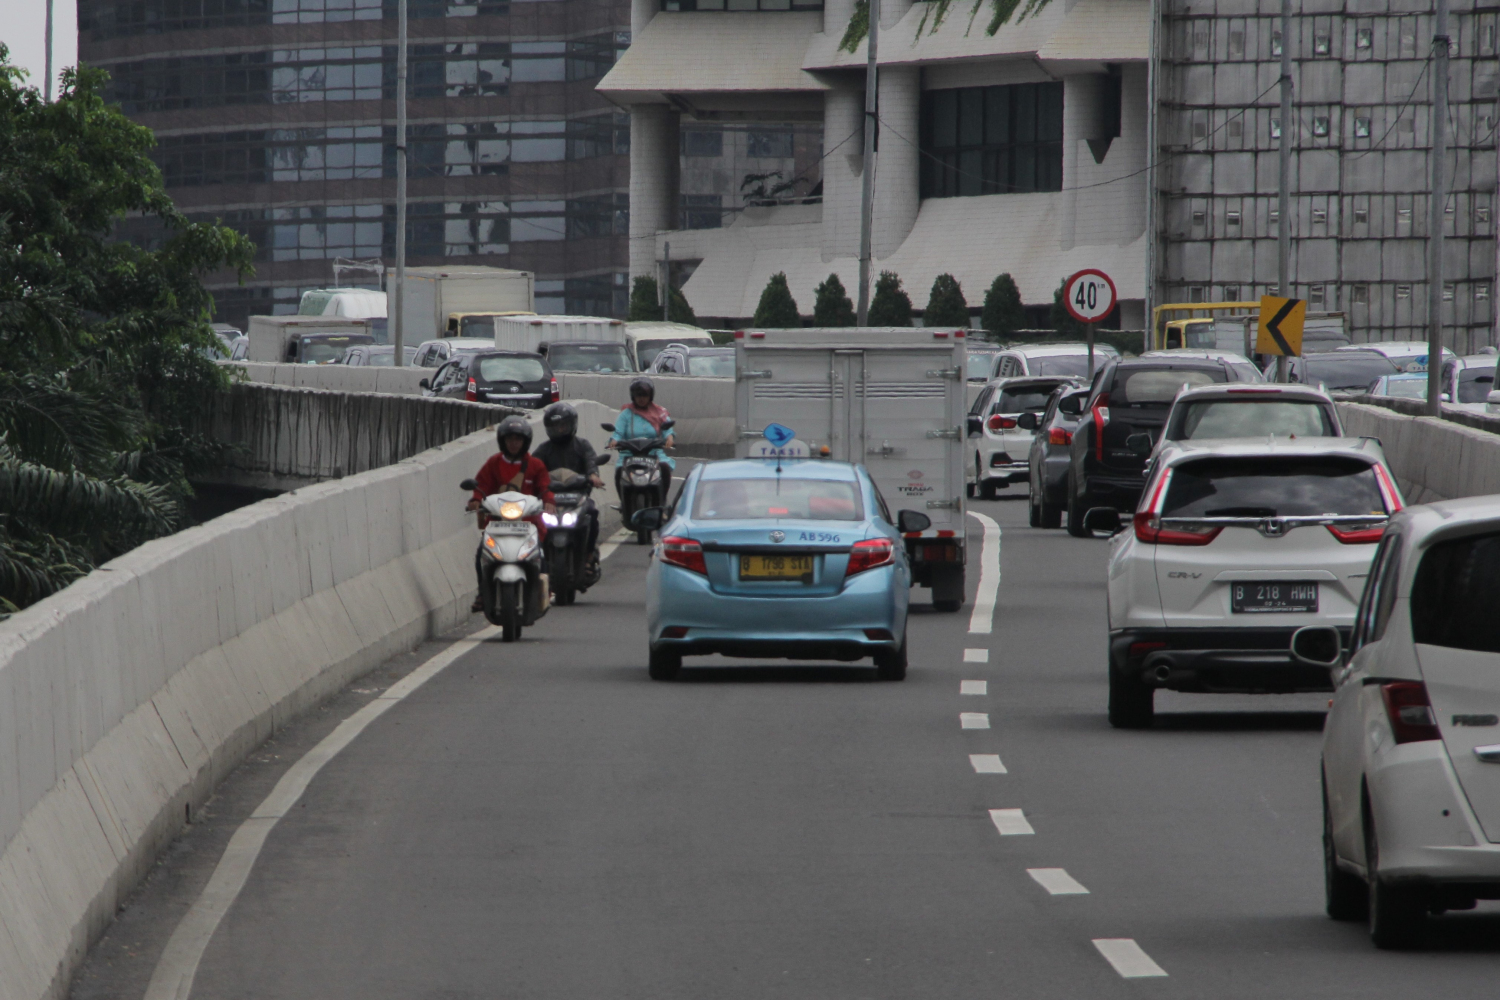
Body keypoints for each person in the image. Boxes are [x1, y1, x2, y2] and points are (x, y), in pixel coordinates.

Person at [468, 414, 554, 612]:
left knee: (540, 553)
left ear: (525, 442)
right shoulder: (494, 463)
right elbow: (482, 486)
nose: (514, 443)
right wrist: (475, 500)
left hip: (529, 524)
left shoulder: (536, 465)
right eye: (510, 439)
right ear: (502, 441)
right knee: (482, 553)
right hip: (498, 524)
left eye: (518, 439)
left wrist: (548, 501)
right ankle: (483, 592)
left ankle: (545, 591)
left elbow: (544, 488)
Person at [532, 401, 604, 572]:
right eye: (556, 426)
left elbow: (591, 461)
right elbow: (532, 467)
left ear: (572, 424)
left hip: (577, 496)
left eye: (563, 425)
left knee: (592, 513)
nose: (560, 429)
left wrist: (593, 476)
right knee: (532, 518)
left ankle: (589, 553)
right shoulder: (544, 449)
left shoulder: (582, 445)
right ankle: (536, 556)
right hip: (550, 499)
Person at [608, 376, 676, 497]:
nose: (641, 399)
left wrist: (669, 437)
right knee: (619, 471)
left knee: (664, 468)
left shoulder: (659, 412)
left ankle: (662, 503)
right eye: (638, 395)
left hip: (654, 453)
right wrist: (614, 441)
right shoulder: (626, 414)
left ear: (650, 396)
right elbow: (618, 432)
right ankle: (623, 503)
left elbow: (667, 428)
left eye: (644, 395)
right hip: (629, 454)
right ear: (633, 396)